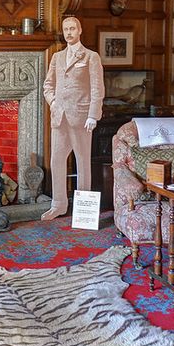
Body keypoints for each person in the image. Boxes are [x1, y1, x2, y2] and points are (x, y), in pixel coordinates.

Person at [42, 16, 104, 221]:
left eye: (72, 29)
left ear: (79, 31)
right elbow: (48, 86)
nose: (68, 32)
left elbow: (97, 88)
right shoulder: (57, 57)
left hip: (81, 118)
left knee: (82, 162)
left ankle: (83, 212)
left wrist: (93, 115)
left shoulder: (90, 57)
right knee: (56, 160)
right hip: (59, 117)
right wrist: (53, 102)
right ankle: (58, 205)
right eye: (65, 29)